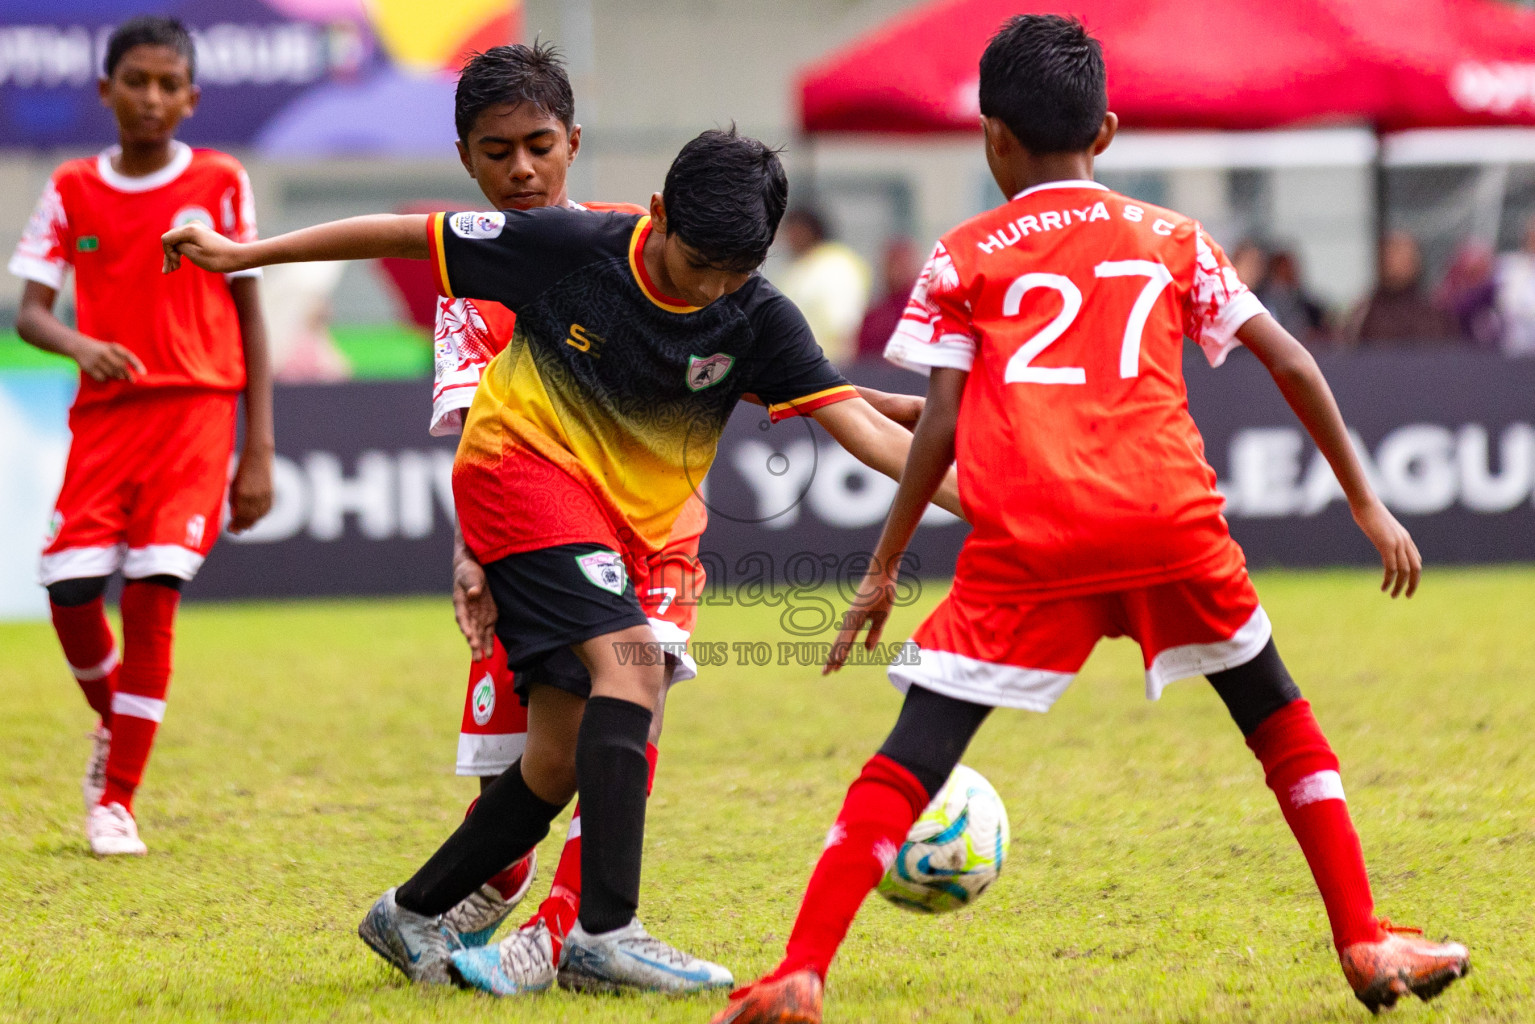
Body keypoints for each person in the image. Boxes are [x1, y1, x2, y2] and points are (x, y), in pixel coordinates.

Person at [713, 16, 1468, 1024]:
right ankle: (1364, 940)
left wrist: (884, 566)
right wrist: (1364, 501)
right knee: (1277, 720)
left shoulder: (963, 255)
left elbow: (939, 424)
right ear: (1104, 130)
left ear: (990, 139)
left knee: (912, 752)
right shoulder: (1171, 237)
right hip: (1167, 517)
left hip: (1032, 532)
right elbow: (1290, 356)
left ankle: (801, 969)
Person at [163, 127, 962, 997]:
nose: (710, 288)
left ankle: (410, 910)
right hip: (517, 473)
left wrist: (1007, 512)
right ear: (657, 213)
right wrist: (247, 251)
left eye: (734, 270)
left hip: (625, 526)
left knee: (555, 755)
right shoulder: (565, 246)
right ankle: (604, 932)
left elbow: (872, 434)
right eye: (697, 262)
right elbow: (401, 234)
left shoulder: (756, 312)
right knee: (633, 665)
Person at [418, 43, 928, 983]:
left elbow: (712, 340)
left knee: (630, 709)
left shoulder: (647, 236)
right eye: (498, 153)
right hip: (536, 532)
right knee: (532, 773)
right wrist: (471, 551)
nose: (521, 169)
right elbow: (483, 432)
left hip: (658, 538)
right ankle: (438, 914)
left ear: (574, 144)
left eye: (539, 145)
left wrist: (854, 400)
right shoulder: (478, 279)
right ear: (467, 159)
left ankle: (574, 932)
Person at [7, 16, 273, 857]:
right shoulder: (72, 187)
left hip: (197, 413)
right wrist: (84, 345)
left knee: (155, 590)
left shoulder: (223, 181)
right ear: (105, 91)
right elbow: (30, 315)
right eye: (137, 82)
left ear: (191, 98)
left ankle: (115, 800)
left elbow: (251, 310)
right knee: (70, 592)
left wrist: (258, 448)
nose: (152, 98)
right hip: (105, 420)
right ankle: (114, 719)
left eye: (169, 85)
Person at [776, 207, 870, 365]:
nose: (785, 239)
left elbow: (844, 325)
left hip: (826, 366)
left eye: (790, 231)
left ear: (806, 231)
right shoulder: (803, 266)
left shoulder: (834, 265)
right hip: (799, 365)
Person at [1343, 231, 1459, 347]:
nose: (1392, 259)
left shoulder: (1433, 316)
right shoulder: (1363, 314)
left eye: (1400, 253)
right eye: (1388, 253)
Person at [855, 237, 921, 360]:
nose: (896, 271)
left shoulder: (927, 311)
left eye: (902, 264)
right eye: (892, 263)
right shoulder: (875, 316)